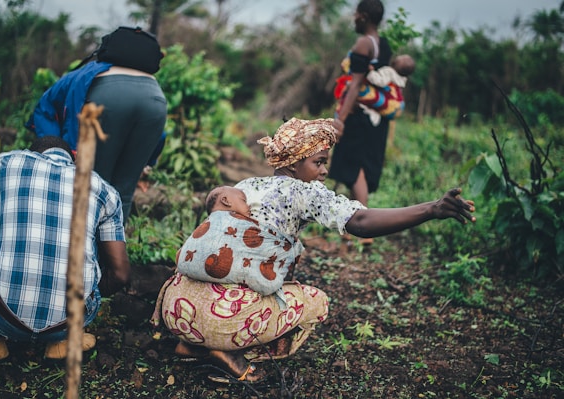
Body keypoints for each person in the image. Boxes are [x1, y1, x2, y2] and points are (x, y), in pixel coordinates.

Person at [152, 117, 476, 383]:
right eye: (318, 162)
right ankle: (229, 352)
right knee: (317, 302)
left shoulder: (242, 187)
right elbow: (360, 221)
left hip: (176, 308)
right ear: (293, 164)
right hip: (223, 320)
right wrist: (431, 209)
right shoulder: (304, 192)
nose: (323, 172)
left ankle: (190, 346)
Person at [0, 136, 131, 361]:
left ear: (32, 153)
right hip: (69, 322)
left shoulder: (6, 164)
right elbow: (120, 275)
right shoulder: (103, 190)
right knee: (86, 231)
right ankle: (63, 340)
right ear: (72, 159)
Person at [26, 26, 168, 222]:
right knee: (123, 193)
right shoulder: (150, 81)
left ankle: (80, 248)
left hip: (107, 97)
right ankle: (113, 249)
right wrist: (146, 158)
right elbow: (158, 135)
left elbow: (44, 109)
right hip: (155, 101)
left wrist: (57, 150)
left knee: (91, 184)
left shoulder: (84, 73)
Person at [174, 185, 301, 297]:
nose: (249, 205)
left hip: (189, 269)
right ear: (225, 201)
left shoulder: (207, 224)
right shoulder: (242, 224)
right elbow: (269, 243)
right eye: (244, 201)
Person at [330, 0, 393, 221]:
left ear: (364, 16)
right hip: (377, 118)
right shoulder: (383, 44)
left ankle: (363, 223)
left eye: (356, 14)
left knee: (354, 169)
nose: (353, 18)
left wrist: (341, 120)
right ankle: (355, 223)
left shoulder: (363, 44)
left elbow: (355, 85)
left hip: (359, 118)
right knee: (362, 169)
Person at [336, 54, 415, 126]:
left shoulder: (389, 72)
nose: (398, 56)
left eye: (401, 57)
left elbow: (379, 81)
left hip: (389, 105)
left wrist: (370, 72)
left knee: (359, 90)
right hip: (395, 106)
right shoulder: (401, 79)